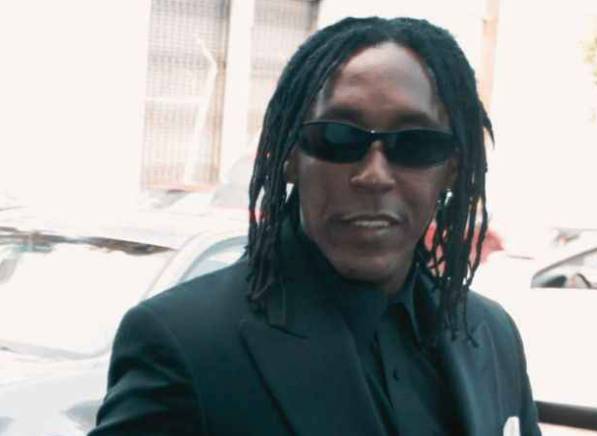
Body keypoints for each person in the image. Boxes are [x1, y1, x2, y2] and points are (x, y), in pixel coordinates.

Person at [90, 17, 541, 436]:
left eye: (415, 144)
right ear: (288, 157)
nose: (374, 175)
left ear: (453, 169)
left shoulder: (492, 334)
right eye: (338, 138)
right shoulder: (185, 341)